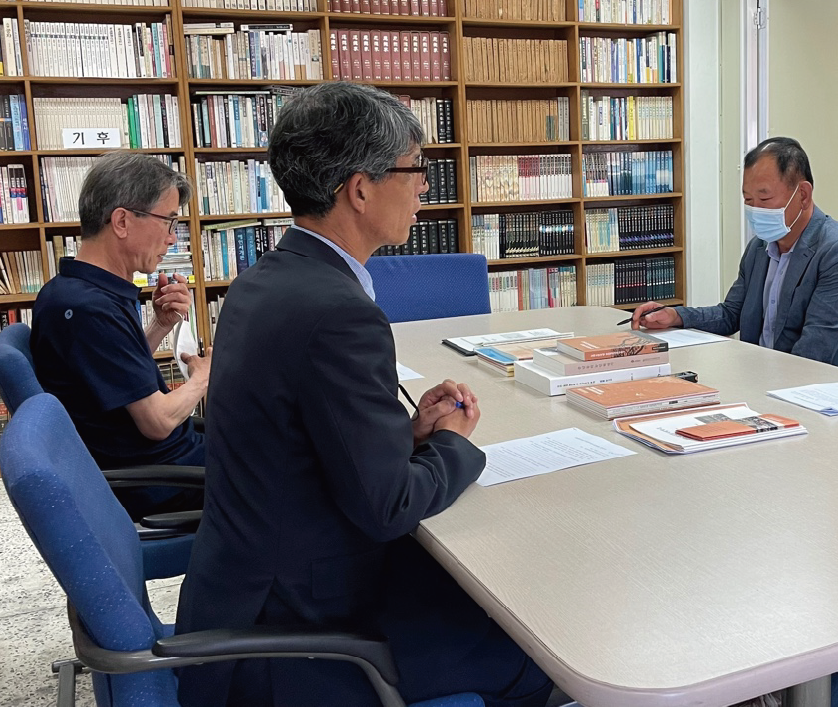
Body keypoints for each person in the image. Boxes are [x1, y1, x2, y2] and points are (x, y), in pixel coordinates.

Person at [175, 82, 552, 707]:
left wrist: (406, 433)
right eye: (415, 169)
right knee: (535, 650)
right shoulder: (338, 312)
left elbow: (297, 439)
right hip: (301, 637)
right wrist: (453, 444)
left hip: (241, 596)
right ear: (359, 189)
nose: (425, 186)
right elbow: (389, 506)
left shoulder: (262, 281)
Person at [31, 152, 209, 521]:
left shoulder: (74, 290)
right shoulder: (88, 309)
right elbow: (156, 422)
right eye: (168, 221)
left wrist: (159, 325)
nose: (172, 238)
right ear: (123, 221)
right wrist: (204, 378)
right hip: (159, 480)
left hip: (165, 462)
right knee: (295, 463)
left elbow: (111, 377)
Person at [631, 137, 838, 374]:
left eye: (765, 198)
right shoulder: (760, 247)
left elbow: (815, 349)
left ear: (803, 195)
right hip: (767, 374)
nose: (755, 210)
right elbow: (731, 314)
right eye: (748, 200)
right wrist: (676, 316)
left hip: (835, 383)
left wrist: (755, 380)